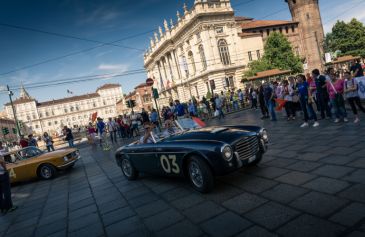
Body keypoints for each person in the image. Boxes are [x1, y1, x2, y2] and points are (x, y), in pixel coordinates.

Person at [0, 141, 17, 214]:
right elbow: (2, 162)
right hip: (2, 174)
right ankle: (9, 207)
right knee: (6, 191)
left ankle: (2, 208)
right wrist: (5, 169)